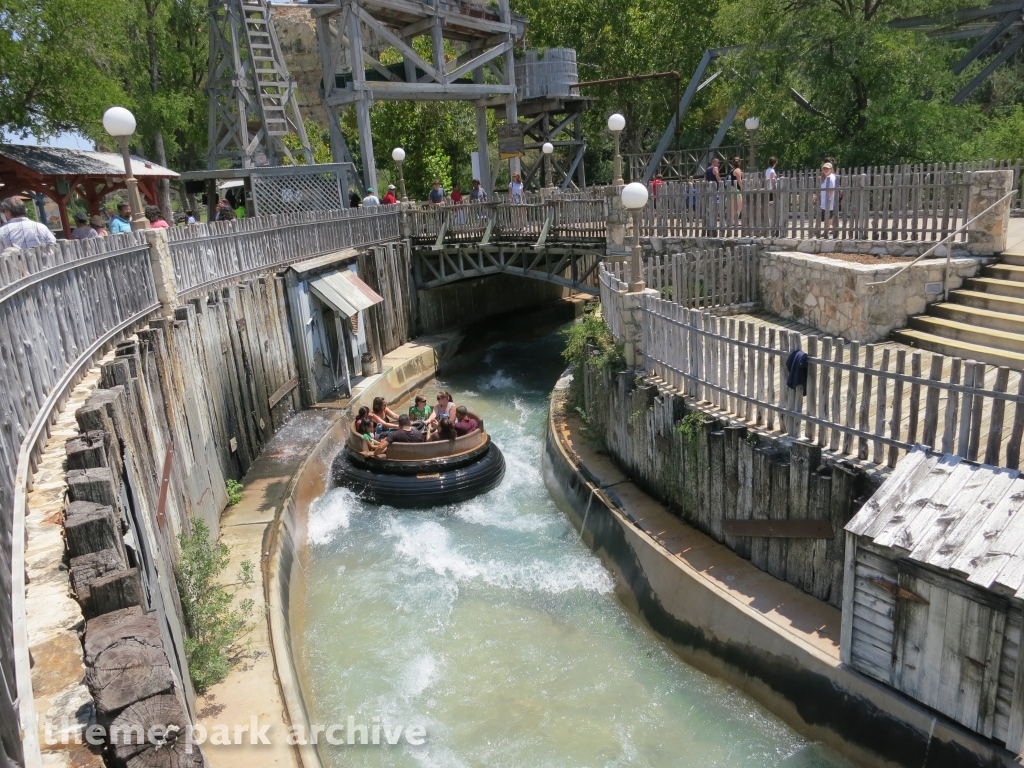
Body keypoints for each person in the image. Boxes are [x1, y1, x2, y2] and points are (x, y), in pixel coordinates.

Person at [820, 162, 837, 233]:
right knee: (827, 217)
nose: (825, 170)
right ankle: (833, 229)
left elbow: (832, 189)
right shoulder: (827, 177)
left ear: (831, 169)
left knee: (828, 218)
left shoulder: (831, 177)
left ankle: (833, 229)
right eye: (824, 168)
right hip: (825, 201)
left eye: (827, 168)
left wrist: (829, 199)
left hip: (829, 201)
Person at [727, 157, 743, 225]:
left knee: (732, 206)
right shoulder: (738, 170)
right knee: (740, 205)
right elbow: (739, 180)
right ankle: (736, 220)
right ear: (739, 162)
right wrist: (743, 187)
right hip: (735, 188)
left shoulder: (731, 170)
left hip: (730, 188)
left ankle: (731, 221)